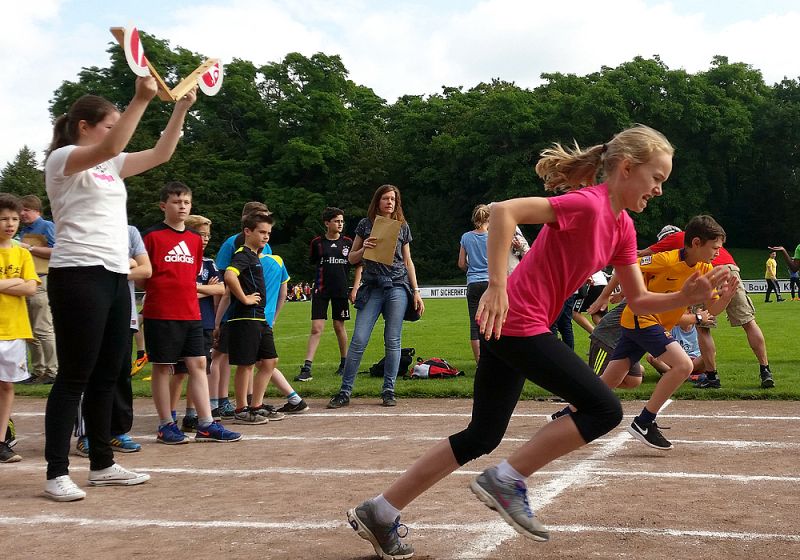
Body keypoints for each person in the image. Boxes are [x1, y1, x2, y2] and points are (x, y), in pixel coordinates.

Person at [344, 125, 726, 559]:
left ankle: (379, 509)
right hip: (516, 320)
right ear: (626, 168)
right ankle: (507, 479)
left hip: (514, 326)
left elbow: (637, 298)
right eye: (657, 178)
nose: (659, 190)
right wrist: (497, 283)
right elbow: (503, 211)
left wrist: (685, 297)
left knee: (481, 435)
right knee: (604, 408)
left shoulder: (622, 228)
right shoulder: (587, 203)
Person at [42, 77, 189, 501]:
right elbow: (108, 147)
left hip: (113, 276)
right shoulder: (64, 158)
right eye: (110, 125)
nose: (116, 133)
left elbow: (161, 153)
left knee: (109, 373)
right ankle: (56, 472)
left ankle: (103, 464)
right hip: (78, 274)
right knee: (75, 375)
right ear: (85, 126)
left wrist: (179, 107)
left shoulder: (110, 165)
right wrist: (142, 97)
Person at [558, 216, 737, 451]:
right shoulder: (666, 260)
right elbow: (626, 266)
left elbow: (712, 311)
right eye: (715, 247)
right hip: (641, 318)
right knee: (684, 366)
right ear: (696, 243)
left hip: (650, 324)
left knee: (610, 379)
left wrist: (724, 298)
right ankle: (644, 422)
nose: (718, 252)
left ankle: (568, 412)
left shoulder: (705, 269)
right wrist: (605, 296)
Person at [141, 181, 241, 444]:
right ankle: (166, 424)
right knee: (164, 367)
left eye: (186, 202)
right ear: (164, 205)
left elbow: (191, 275)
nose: (182, 206)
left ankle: (206, 423)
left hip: (191, 312)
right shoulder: (152, 236)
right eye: (176, 201)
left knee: (198, 364)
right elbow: (143, 276)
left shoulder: (195, 240)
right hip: (161, 312)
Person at [328, 184, 425, 409]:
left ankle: (389, 390)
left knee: (393, 340)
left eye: (393, 199)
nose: (389, 202)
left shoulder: (402, 226)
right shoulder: (365, 224)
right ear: (378, 202)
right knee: (359, 339)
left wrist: (417, 292)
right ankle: (345, 391)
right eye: (385, 198)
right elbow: (351, 259)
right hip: (372, 286)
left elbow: (408, 261)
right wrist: (364, 250)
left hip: (397, 286)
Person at [642, 227, 775, 388]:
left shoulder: (677, 240)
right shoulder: (709, 239)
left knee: (703, 327)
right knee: (748, 322)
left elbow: (643, 254)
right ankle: (765, 369)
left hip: (705, 272)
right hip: (730, 270)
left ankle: (712, 376)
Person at [75, 225, 152, 456]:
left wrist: (112, 271)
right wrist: (124, 265)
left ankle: (117, 431)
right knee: (88, 374)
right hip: (90, 313)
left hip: (123, 315)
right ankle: (87, 434)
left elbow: (145, 270)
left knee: (119, 374)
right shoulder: (83, 227)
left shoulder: (130, 231)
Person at [169, 215, 225, 433]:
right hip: (182, 319)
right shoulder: (181, 260)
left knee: (199, 370)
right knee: (179, 371)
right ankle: (171, 415)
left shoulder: (208, 263)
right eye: (201, 235)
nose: (206, 239)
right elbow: (179, 288)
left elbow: (220, 289)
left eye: (208, 236)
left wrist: (196, 289)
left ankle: (191, 414)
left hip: (204, 322)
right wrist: (203, 289)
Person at [222, 212, 278, 424]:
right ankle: (241, 409)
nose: (266, 237)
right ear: (248, 231)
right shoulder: (243, 254)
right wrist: (244, 298)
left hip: (259, 318)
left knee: (270, 360)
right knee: (245, 364)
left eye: (268, 233)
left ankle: (256, 404)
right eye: (261, 232)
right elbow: (229, 275)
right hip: (245, 318)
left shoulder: (254, 255)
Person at [297, 207, 361, 382]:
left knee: (339, 327)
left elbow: (359, 266)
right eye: (336, 221)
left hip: (340, 292)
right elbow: (314, 263)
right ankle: (307, 367)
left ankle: (344, 363)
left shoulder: (348, 242)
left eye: (342, 221)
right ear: (327, 223)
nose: (340, 224)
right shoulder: (317, 243)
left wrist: (355, 289)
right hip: (321, 290)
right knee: (316, 328)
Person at [0, 194, 39, 463]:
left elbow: (31, 287)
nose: (10, 223)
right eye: (3, 218)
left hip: (14, 329)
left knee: (6, 386)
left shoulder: (22, 252)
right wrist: (14, 282)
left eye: (14, 219)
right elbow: (21, 285)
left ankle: (1, 440)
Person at [16, 194, 58, 384]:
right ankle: (38, 370)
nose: (22, 213)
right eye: (21, 210)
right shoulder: (24, 230)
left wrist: (29, 248)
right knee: (30, 331)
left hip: (42, 280)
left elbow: (58, 250)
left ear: (37, 211)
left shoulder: (47, 226)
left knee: (43, 328)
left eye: (27, 210)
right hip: (27, 281)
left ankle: (52, 371)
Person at [458, 204, 490, 363]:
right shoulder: (493, 236)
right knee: (492, 321)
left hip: (473, 282)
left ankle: (480, 363)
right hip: (490, 283)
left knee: (475, 324)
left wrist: (471, 269)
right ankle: (493, 359)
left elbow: (461, 263)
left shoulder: (466, 237)